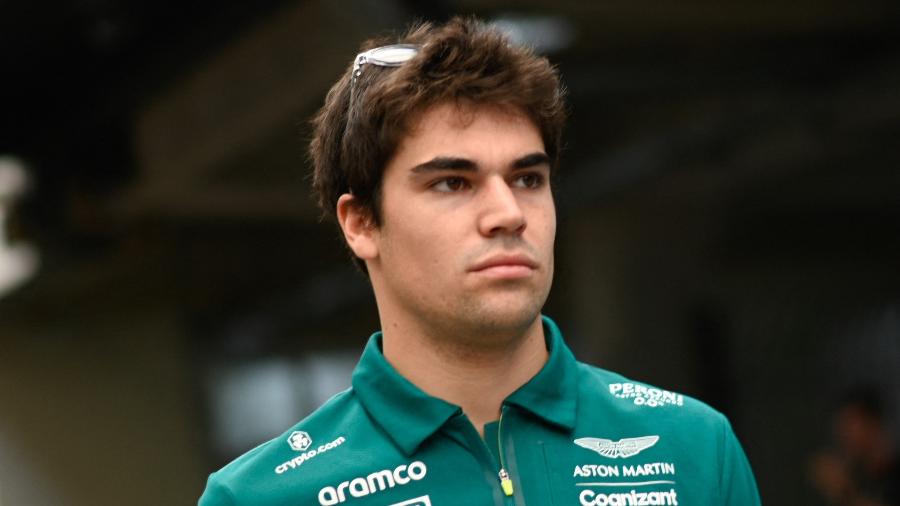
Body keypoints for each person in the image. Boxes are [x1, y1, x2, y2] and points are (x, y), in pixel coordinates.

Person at [199, 17, 760, 506]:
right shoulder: (261, 497)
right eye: (452, 182)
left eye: (527, 178)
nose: (508, 213)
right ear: (361, 223)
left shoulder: (693, 448)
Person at [808, 387, 900, 506]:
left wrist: (845, 494)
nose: (843, 436)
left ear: (874, 424)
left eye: (850, 426)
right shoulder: (865, 479)